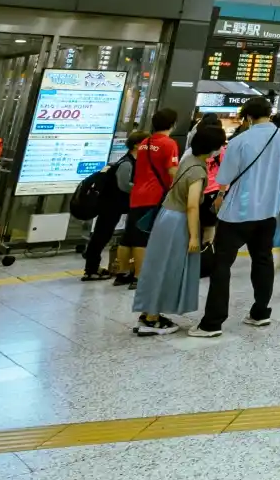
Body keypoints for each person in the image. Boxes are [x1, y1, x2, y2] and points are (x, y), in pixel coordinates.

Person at [190, 96, 280, 336]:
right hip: (268, 211)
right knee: (263, 260)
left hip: (237, 213)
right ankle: (260, 313)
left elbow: (224, 178)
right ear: (269, 113)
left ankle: (212, 323)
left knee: (222, 265)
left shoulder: (240, 141)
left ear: (247, 116)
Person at [131, 119, 221, 336]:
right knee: (168, 268)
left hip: (166, 215)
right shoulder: (198, 171)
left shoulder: (187, 158)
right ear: (212, 149)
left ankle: (149, 312)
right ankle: (151, 320)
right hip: (178, 220)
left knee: (157, 265)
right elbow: (191, 206)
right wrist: (193, 236)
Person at [124, 108, 180, 286]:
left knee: (129, 236)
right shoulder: (169, 143)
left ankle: (122, 272)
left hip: (137, 193)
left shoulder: (145, 142)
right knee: (143, 239)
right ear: (173, 124)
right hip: (154, 195)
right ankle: (139, 277)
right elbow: (172, 171)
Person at [82, 129, 144, 281]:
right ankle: (91, 268)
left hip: (112, 204)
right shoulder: (126, 163)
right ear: (136, 145)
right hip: (110, 205)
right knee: (101, 235)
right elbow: (123, 185)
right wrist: (141, 188)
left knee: (103, 234)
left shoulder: (130, 161)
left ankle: (92, 266)